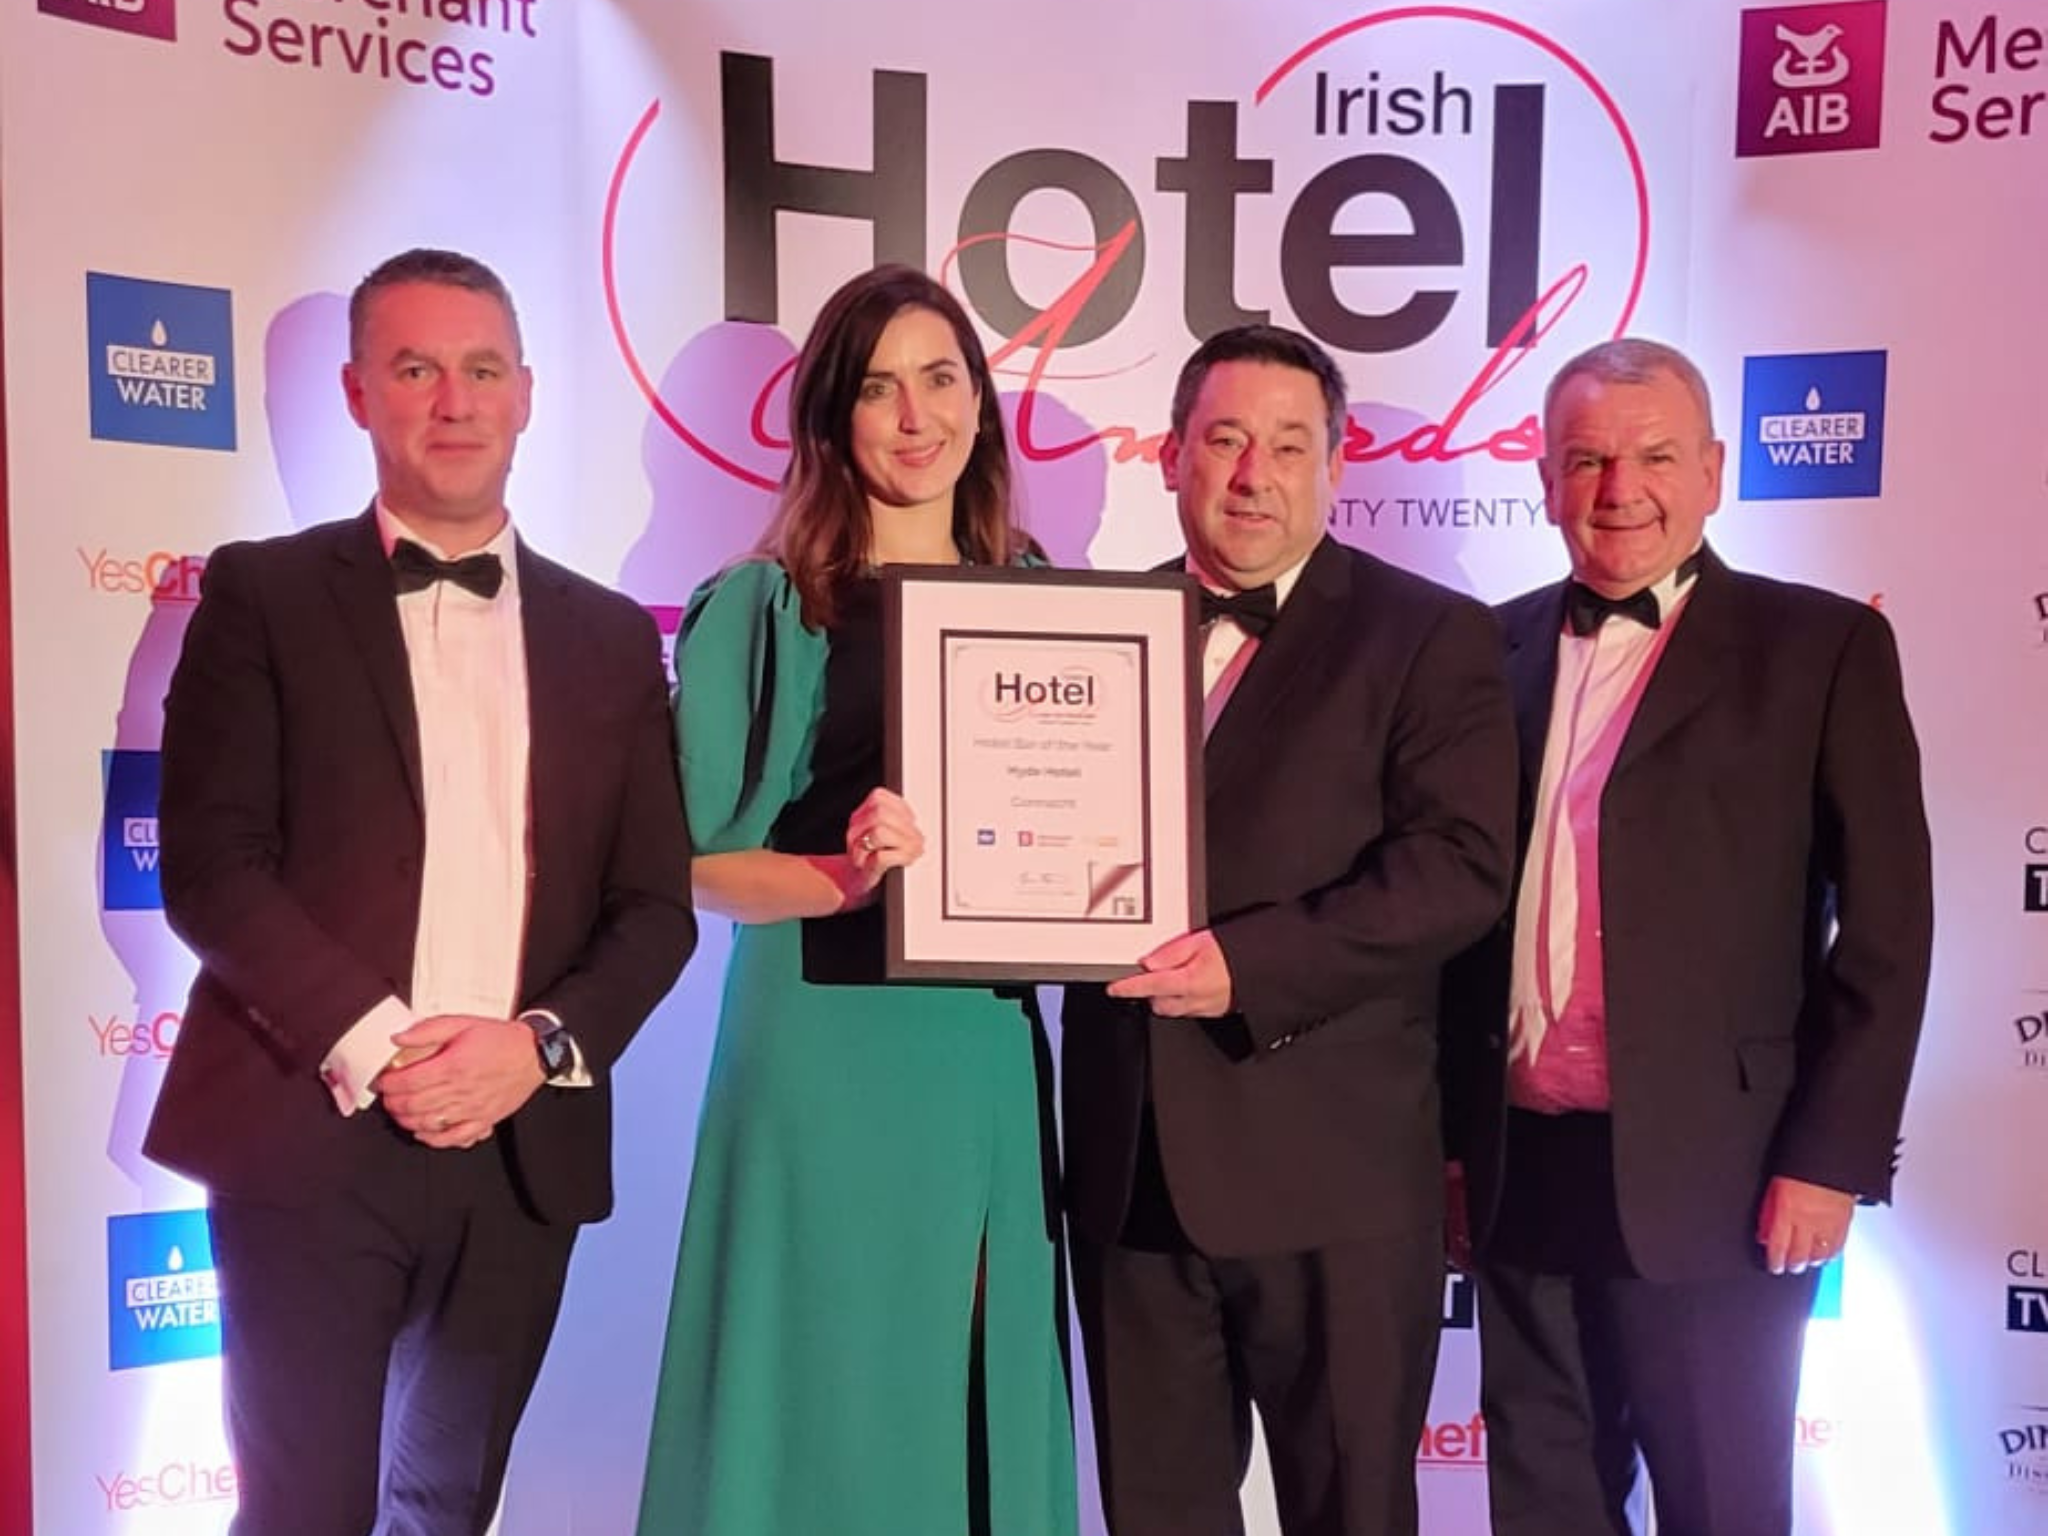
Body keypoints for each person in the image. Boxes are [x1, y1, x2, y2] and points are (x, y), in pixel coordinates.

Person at [143, 247, 697, 1535]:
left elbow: (653, 910)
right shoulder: (261, 594)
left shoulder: (614, 636)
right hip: (307, 1131)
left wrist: (533, 1049)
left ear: (526, 396)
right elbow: (211, 868)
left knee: (447, 1507)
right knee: (305, 1513)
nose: (453, 400)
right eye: (415, 368)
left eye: (481, 369)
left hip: (519, 1144)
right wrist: (387, 1049)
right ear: (356, 394)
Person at [1440, 337, 1934, 1536]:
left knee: (1719, 1505)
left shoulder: (1818, 649)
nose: (1620, 491)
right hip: (1517, 1166)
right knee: (1543, 1502)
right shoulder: (1475, 651)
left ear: (1714, 470)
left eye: (1655, 457)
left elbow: (1886, 926)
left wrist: (1828, 1157)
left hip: (1722, 1172)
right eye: (1587, 460)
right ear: (1544, 477)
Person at [635, 265, 1077, 1536]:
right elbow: (687, 858)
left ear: (982, 408)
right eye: (876, 388)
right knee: (815, 1379)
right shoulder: (761, 607)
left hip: (978, 1048)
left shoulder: (1051, 603)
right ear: (832, 422)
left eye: (941, 378)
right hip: (817, 1046)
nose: (914, 415)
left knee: (960, 1379)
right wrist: (842, 877)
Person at [1060, 324, 1520, 1536]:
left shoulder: (1426, 634)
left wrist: (1247, 968)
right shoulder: (1081, 635)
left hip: (1333, 1182)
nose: (1251, 474)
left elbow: (1457, 871)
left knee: (1349, 1517)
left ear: (1335, 463)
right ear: (1167, 457)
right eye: (1222, 440)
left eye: (1285, 445)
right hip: (1127, 1179)